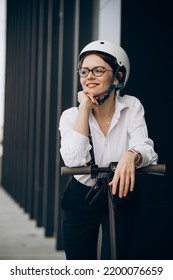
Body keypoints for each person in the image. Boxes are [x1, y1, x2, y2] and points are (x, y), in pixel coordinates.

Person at [59, 40, 158, 260]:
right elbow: (74, 161)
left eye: (99, 70)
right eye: (84, 71)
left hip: (121, 192)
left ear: (118, 77)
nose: (89, 76)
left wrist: (132, 156)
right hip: (82, 196)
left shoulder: (132, 106)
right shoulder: (71, 116)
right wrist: (84, 108)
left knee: (117, 261)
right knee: (79, 266)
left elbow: (146, 147)